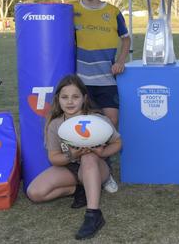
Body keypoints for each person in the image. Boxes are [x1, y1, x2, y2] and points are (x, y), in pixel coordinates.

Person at [26, 74, 122, 240]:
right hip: (71, 168)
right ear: (58, 99)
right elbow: (53, 158)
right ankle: (80, 190)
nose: (70, 102)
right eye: (65, 97)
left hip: (97, 167)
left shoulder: (97, 119)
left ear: (84, 99)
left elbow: (118, 142)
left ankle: (93, 214)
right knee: (35, 193)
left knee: (88, 157)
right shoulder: (55, 124)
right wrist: (71, 155)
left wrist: (102, 153)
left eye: (75, 97)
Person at [71, 0, 131, 193]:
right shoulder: (71, 9)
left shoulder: (113, 11)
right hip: (81, 81)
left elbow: (125, 39)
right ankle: (86, 172)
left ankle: (105, 170)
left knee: (111, 124)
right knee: (82, 129)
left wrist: (121, 61)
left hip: (106, 79)